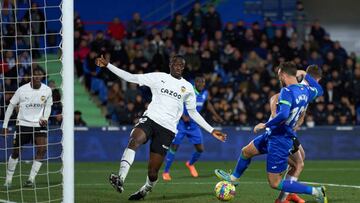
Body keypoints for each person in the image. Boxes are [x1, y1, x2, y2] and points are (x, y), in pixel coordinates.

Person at [95, 55, 226, 200]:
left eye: (182, 66)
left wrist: (211, 130)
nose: (179, 67)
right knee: (135, 140)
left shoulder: (188, 87)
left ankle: (145, 190)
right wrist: (108, 65)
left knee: (153, 172)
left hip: (168, 130)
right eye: (176, 64)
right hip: (150, 119)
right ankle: (120, 178)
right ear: (170, 64)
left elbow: (193, 112)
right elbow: (131, 77)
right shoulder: (158, 77)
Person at [215, 62, 327, 203]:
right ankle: (234, 179)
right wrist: (305, 74)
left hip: (279, 139)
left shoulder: (287, 91)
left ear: (282, 74)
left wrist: (265, 124)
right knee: (246, 151)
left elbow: (283, 115)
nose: (278, 77)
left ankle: (316, 191)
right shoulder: (306, 91)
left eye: (279, 74)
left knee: (275, 182)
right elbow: (320, 90)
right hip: (273, 134)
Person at [273, 65, 322, 203]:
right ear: (317, 79)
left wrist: (301, 117)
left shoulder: (301, 87)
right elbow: (275, 98)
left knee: (300, 159)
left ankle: (290, 192)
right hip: (282, 132)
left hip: (287, 131)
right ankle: (283, 198)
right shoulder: (303, 87)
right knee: (298, 164)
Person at [162, 76, 223, 181]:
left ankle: (190, 164)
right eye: (198, 81)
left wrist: (216, 115)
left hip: (194, 125)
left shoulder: (205, 93)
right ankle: (166, 172)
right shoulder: (188, 91)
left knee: (200, 149)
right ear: (195, 83)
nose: (201, 83)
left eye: (202, 82)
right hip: (181, 124)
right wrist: (182, 115)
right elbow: (177, 103)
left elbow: (207, 104)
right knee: (174, 147)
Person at [3, 68, 53, 188]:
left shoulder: (47, 90)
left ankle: (31, 179)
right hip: (23, 124)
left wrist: (45, 118)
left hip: (38, 124)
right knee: (16, 152)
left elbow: (48, 106)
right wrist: (5, 125)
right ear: (31, 76)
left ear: (42, 77)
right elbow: (10, 107)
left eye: (39, 75)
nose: (37, 77)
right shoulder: (22, 90)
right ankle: (8, 179)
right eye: (35, 75)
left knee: (42, 149)